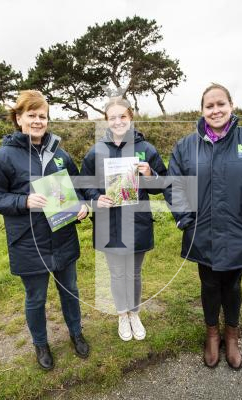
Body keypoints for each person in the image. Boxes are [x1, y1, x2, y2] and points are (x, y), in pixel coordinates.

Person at [165, 83, 242, 369]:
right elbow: (174, 185)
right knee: (208, 284)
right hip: (202, 232)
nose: (215, 110)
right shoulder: (185, 146)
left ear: (232, 106)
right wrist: (184, 218)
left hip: (238, 234)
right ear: (202, 111)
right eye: (210, 106)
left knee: (232, 284)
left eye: (221, 104)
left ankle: (231, 335)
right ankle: (211, 335)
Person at [0, 90, 90, 371]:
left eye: (43, 116)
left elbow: (77, 188)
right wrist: (22, 200)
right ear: (18, 118)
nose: (38, 121)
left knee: (70, 290)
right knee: (36, 297)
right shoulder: (2, 157)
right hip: (27, 242)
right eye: (32, 115)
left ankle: (76, 333)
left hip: (62, 236)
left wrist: (82, 206)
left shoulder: (60, 155)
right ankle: (41, 343)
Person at [81, 97, 167, 341]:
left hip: (137, 222)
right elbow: (84, 184)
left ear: (131, 118)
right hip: (109, 222)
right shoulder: (95, 151)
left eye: (123, 117)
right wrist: (95, 198)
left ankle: (135, 313)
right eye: (112, 117)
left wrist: (149, 173)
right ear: (106, 121)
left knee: (134, 274)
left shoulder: (146, 149)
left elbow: (161, 185)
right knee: (117, 273)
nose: (118, 121)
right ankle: (122, 315)